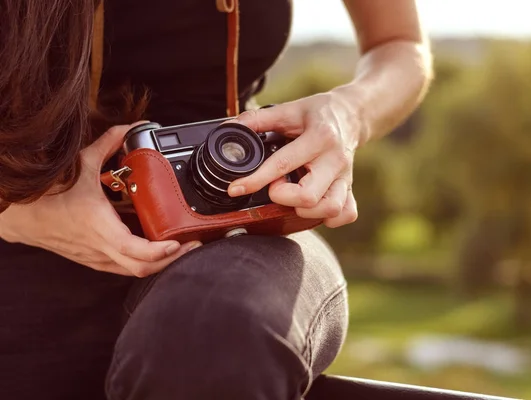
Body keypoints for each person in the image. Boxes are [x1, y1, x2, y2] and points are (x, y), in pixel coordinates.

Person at [0, 0, 432, 399]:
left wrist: (347, 113)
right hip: (20, 230)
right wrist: (18, 214)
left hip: (243, 224)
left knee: (219, 332)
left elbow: (400, 44)